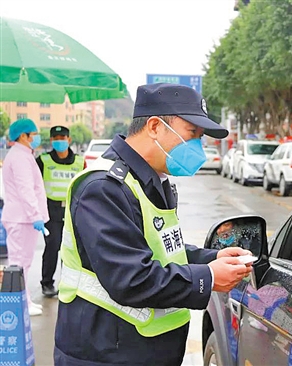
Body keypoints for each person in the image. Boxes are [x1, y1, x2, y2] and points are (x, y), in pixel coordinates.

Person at [54, 83, 253, 366]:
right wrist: (207, 278)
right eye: (192, 134)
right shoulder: (103, 188)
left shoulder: (153, 180)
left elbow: (159, 247)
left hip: (148, 351)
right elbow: (130, 278)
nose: (198, 147)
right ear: (156, 126)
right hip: (106, 355)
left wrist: (213, 257)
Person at [0, 118, 49, 316]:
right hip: (22, 217)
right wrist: (35, 215)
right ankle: (20, 303)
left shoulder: (23, 155)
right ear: (23, 136)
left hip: (23, 217)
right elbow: (25, 189)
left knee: (23, 263)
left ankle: (24, 300)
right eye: (34, 134)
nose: (37, 137)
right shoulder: (20, 157)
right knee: (19, 263)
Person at [36, 126, 85, 297]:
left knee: (70, 248)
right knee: (53, 245)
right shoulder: (43, 160)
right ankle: (47, 283)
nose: (59, 141)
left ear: (69, 140)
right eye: (56, 138)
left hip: (72, 212)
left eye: (62, 138)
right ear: (51, 141)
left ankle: (69, 283)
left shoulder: (80, 161)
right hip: (50, 211)